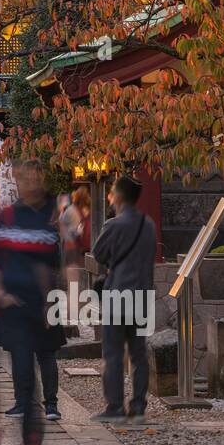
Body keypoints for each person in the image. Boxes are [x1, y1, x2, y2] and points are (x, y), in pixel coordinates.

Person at [0, 159, 60, 445]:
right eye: (24, 177)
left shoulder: (50, 219)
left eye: (35, 176)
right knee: (26, 376)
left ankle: (40, 424)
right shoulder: (7, 216)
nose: (29, 182)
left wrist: (51, 303)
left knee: (43, 365)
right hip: (13, 307)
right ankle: (32, 443)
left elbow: (52, 266)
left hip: (39, 306)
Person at [92, 175, 157, 424]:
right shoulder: (148, 225)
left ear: (118, 196)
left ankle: (115, 406)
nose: (109, 196)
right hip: (141, 296)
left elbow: (98, 253)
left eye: (110, 192)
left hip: (118, 294)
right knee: (139, 353)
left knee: (114, 353)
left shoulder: (113, 225)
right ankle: (139, 405)